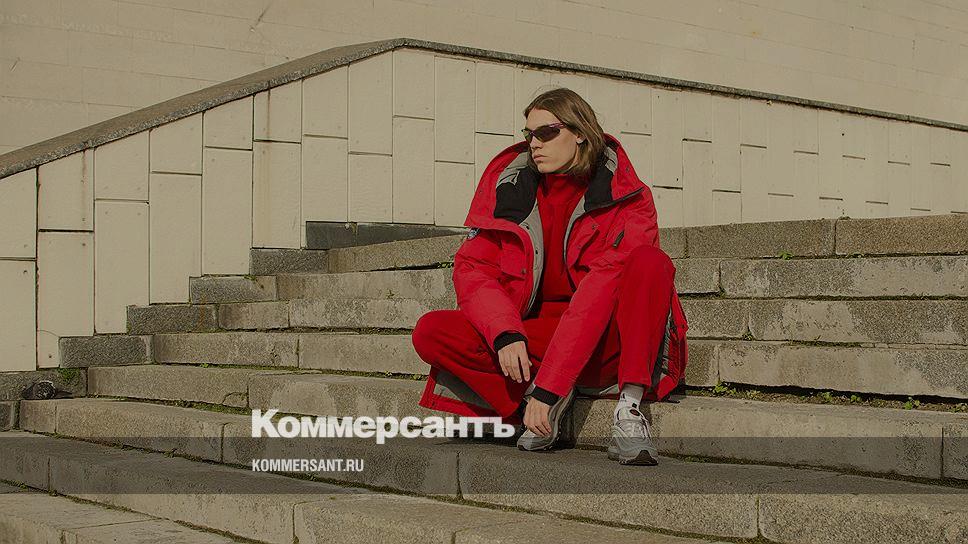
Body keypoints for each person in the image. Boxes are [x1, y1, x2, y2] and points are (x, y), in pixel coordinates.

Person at [411, 87, 688, 465]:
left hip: (608, 340)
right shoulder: (512, 190)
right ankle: (533, 403)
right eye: (529, 134)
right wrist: (505, 332)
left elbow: (598, 294)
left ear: (580, 133)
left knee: (649, 262)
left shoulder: (627, 197)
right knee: (432, 331)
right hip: (540, 339)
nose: (534, 143)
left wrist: (551, 383)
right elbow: (473, 268)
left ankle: (629, 407)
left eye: (546, 133)